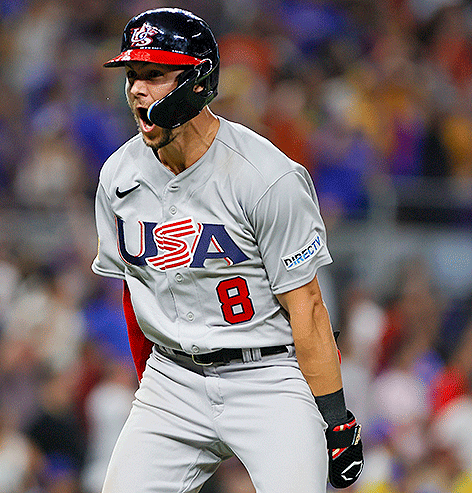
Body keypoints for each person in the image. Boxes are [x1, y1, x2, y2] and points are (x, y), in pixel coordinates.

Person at [90, 8, 363, 493]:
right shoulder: (119, 177)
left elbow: (309, 309)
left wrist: (336, 419)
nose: (136, 89)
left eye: (154, 75)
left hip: (268, 378)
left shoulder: (266, 177)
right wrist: (148, 388)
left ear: (197, 82)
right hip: (171, 380)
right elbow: (135, 295)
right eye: (132, 75)